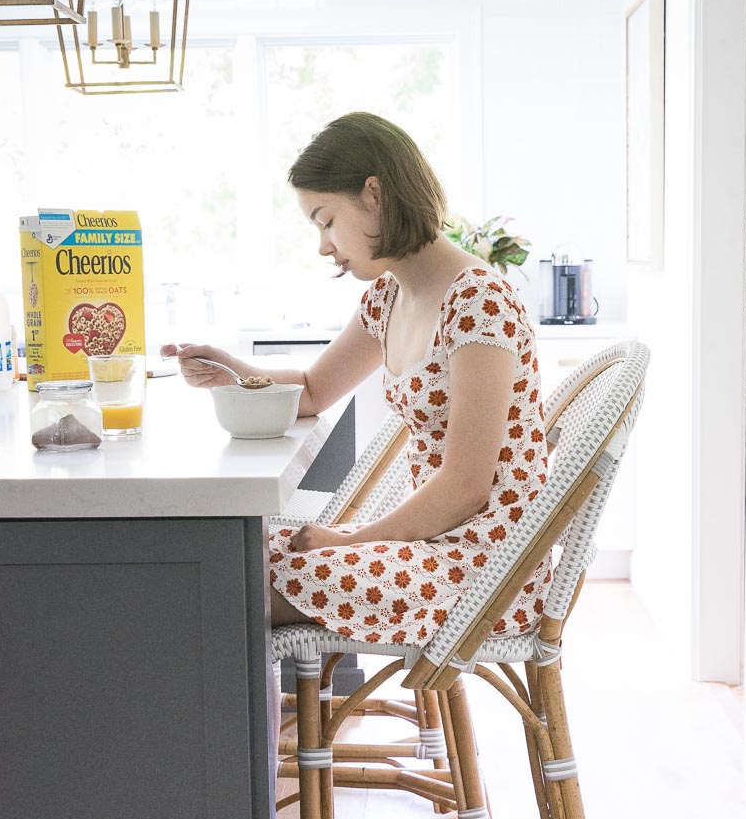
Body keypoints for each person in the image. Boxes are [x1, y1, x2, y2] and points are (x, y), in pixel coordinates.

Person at [163, 111, 551, 661]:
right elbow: (313, 390)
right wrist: (230, 369)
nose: (323, 245)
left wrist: (354, 539)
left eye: (325, 220)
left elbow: (467, 488)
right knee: (225, 557)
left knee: (223, 583)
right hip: (431, 546)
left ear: (374, 195)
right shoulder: (389, 296)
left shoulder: (479, 301)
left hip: (488, 568)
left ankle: (230, 743)